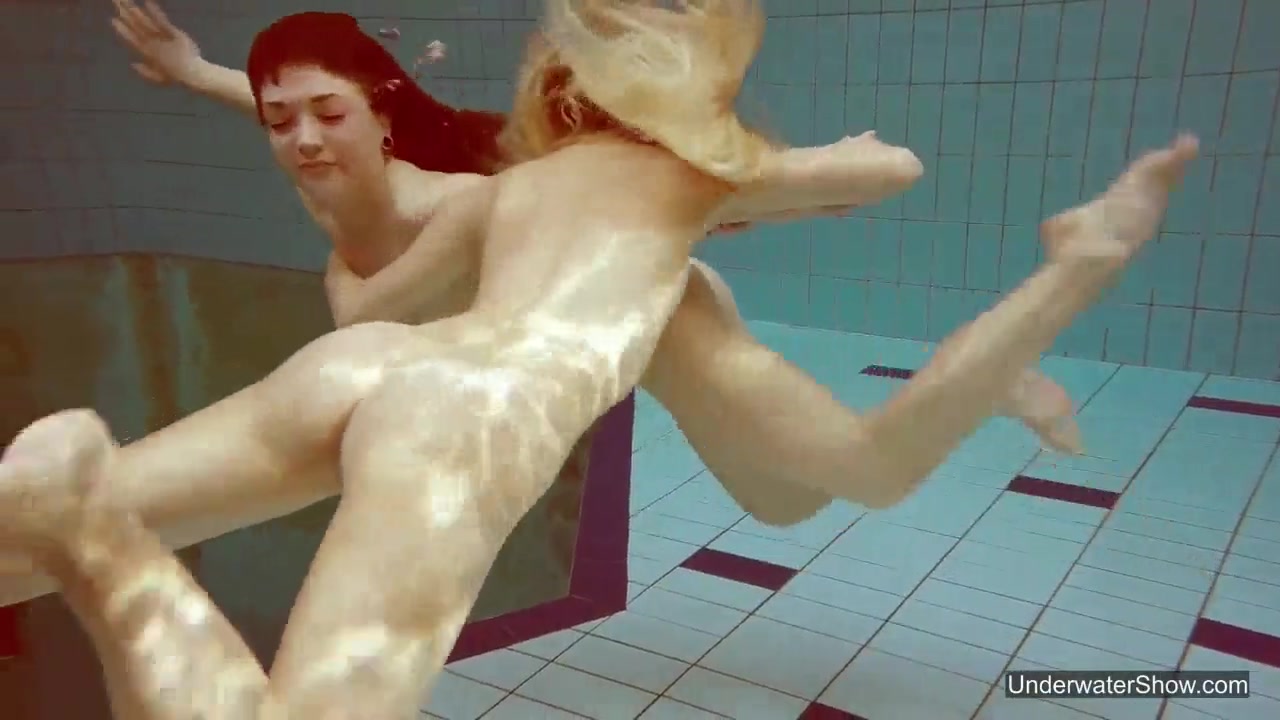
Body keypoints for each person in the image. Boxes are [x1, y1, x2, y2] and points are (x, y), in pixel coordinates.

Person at [1, 0, 1198, 715]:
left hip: (371, 364)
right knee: (864, 468)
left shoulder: (507, 187)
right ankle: (100, 544)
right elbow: (887, 173)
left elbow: (367, 283)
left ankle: (76, 522)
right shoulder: (696, 175)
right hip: (471, 412)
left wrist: (222, 92)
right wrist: (774, 171)